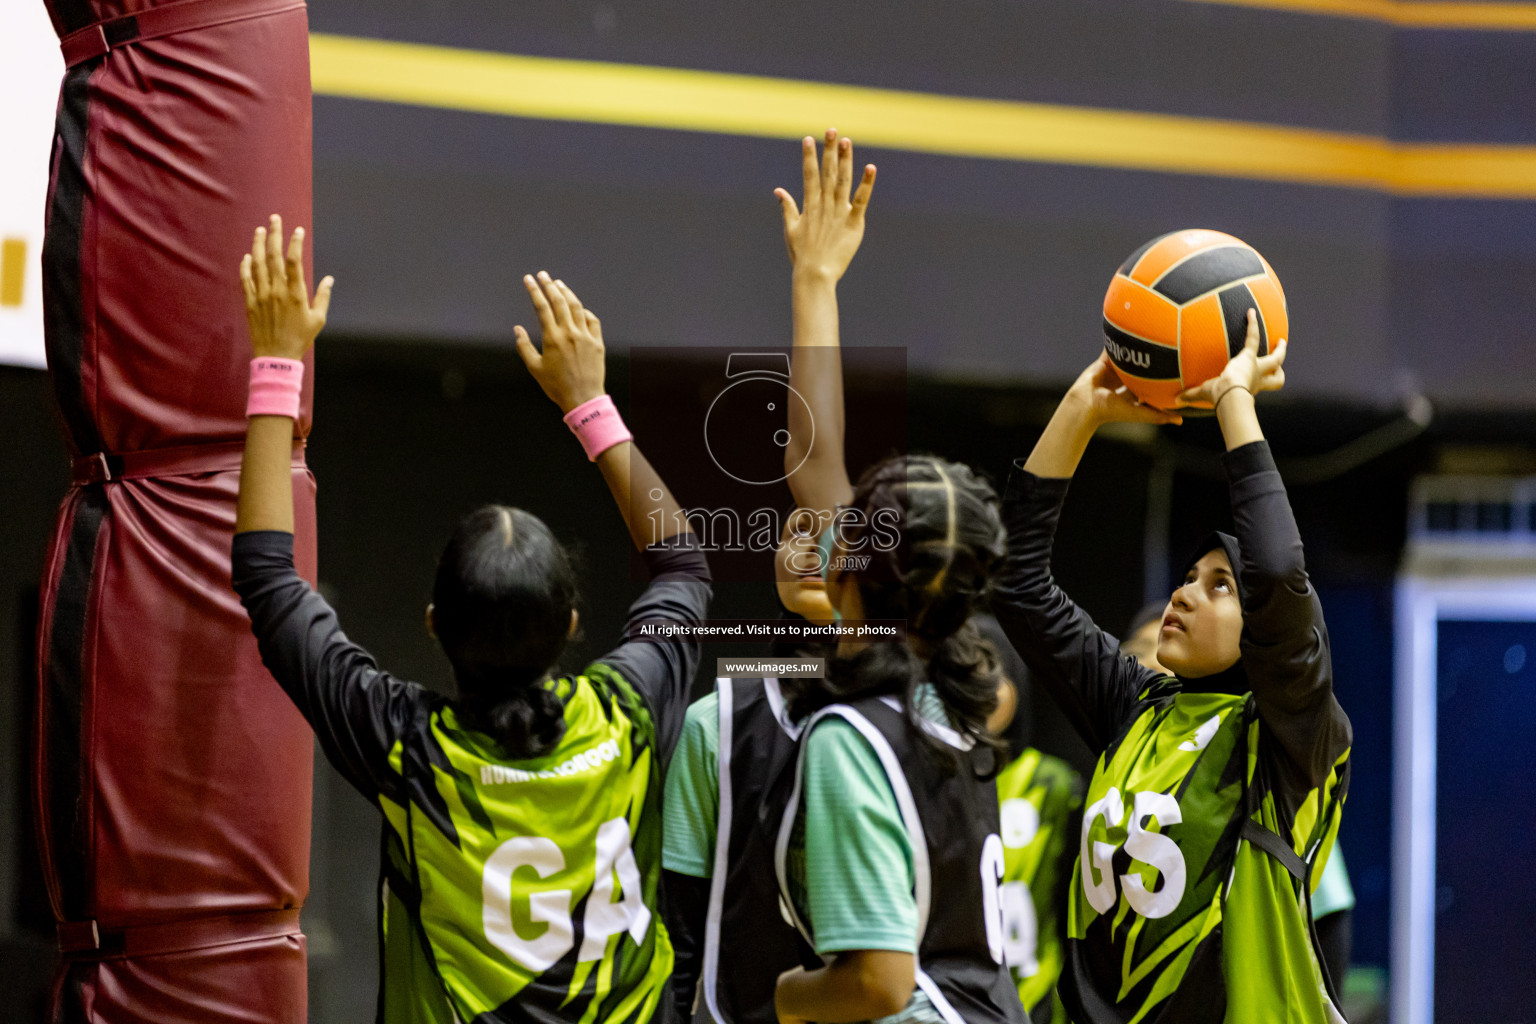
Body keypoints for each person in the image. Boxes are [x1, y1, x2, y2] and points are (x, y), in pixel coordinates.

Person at [230, 217, 711, 1024]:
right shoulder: (626, 717)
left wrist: (278, 362)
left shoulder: (410, 750)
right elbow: (684, 563)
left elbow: (269, 581)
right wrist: (591, 402)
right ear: (570, 626)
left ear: (431, 623)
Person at [993, 318, 1351, 1022]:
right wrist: (1082, 407)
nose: (1186, 591)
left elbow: (1278, 571)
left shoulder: (1291, 738)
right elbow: (1017, 583)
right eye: (1188, 575)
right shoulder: (1136, 707)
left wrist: (1233, 401)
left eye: (1220, 585)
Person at [663, 128, 875, 1024]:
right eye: (791, 528)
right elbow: (683, 927)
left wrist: (816, 284)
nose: (801, 539)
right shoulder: (724, 719)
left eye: (825, 534)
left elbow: (816, 461)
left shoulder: (902, 690)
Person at [771, 453, 1027, 1024]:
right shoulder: (955, 705)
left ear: (843, 570)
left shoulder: (850, 735)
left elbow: (880, 986)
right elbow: (815, 459)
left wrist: (783, 996)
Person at [973, 614, 1082, 1024]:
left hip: (1037, 1003)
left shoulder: (1055, 784)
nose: (981, 690)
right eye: (967, 674)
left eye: (993, 673)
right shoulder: (928, 778)